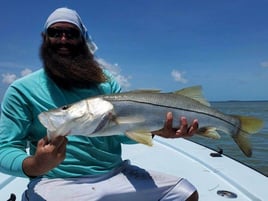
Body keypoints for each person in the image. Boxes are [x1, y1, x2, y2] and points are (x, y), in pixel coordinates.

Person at [0, 7, 199, 201]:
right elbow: (5, 149)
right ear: (45, 37)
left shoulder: (106, 81)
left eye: (71, 33)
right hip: (55, 180)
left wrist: (155, 130)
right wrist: (36, 165)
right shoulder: (22, 90)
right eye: (55, 32)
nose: (63, 39)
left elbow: (125, 136)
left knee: (186, 194)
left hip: (115, 173)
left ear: (82, 39)